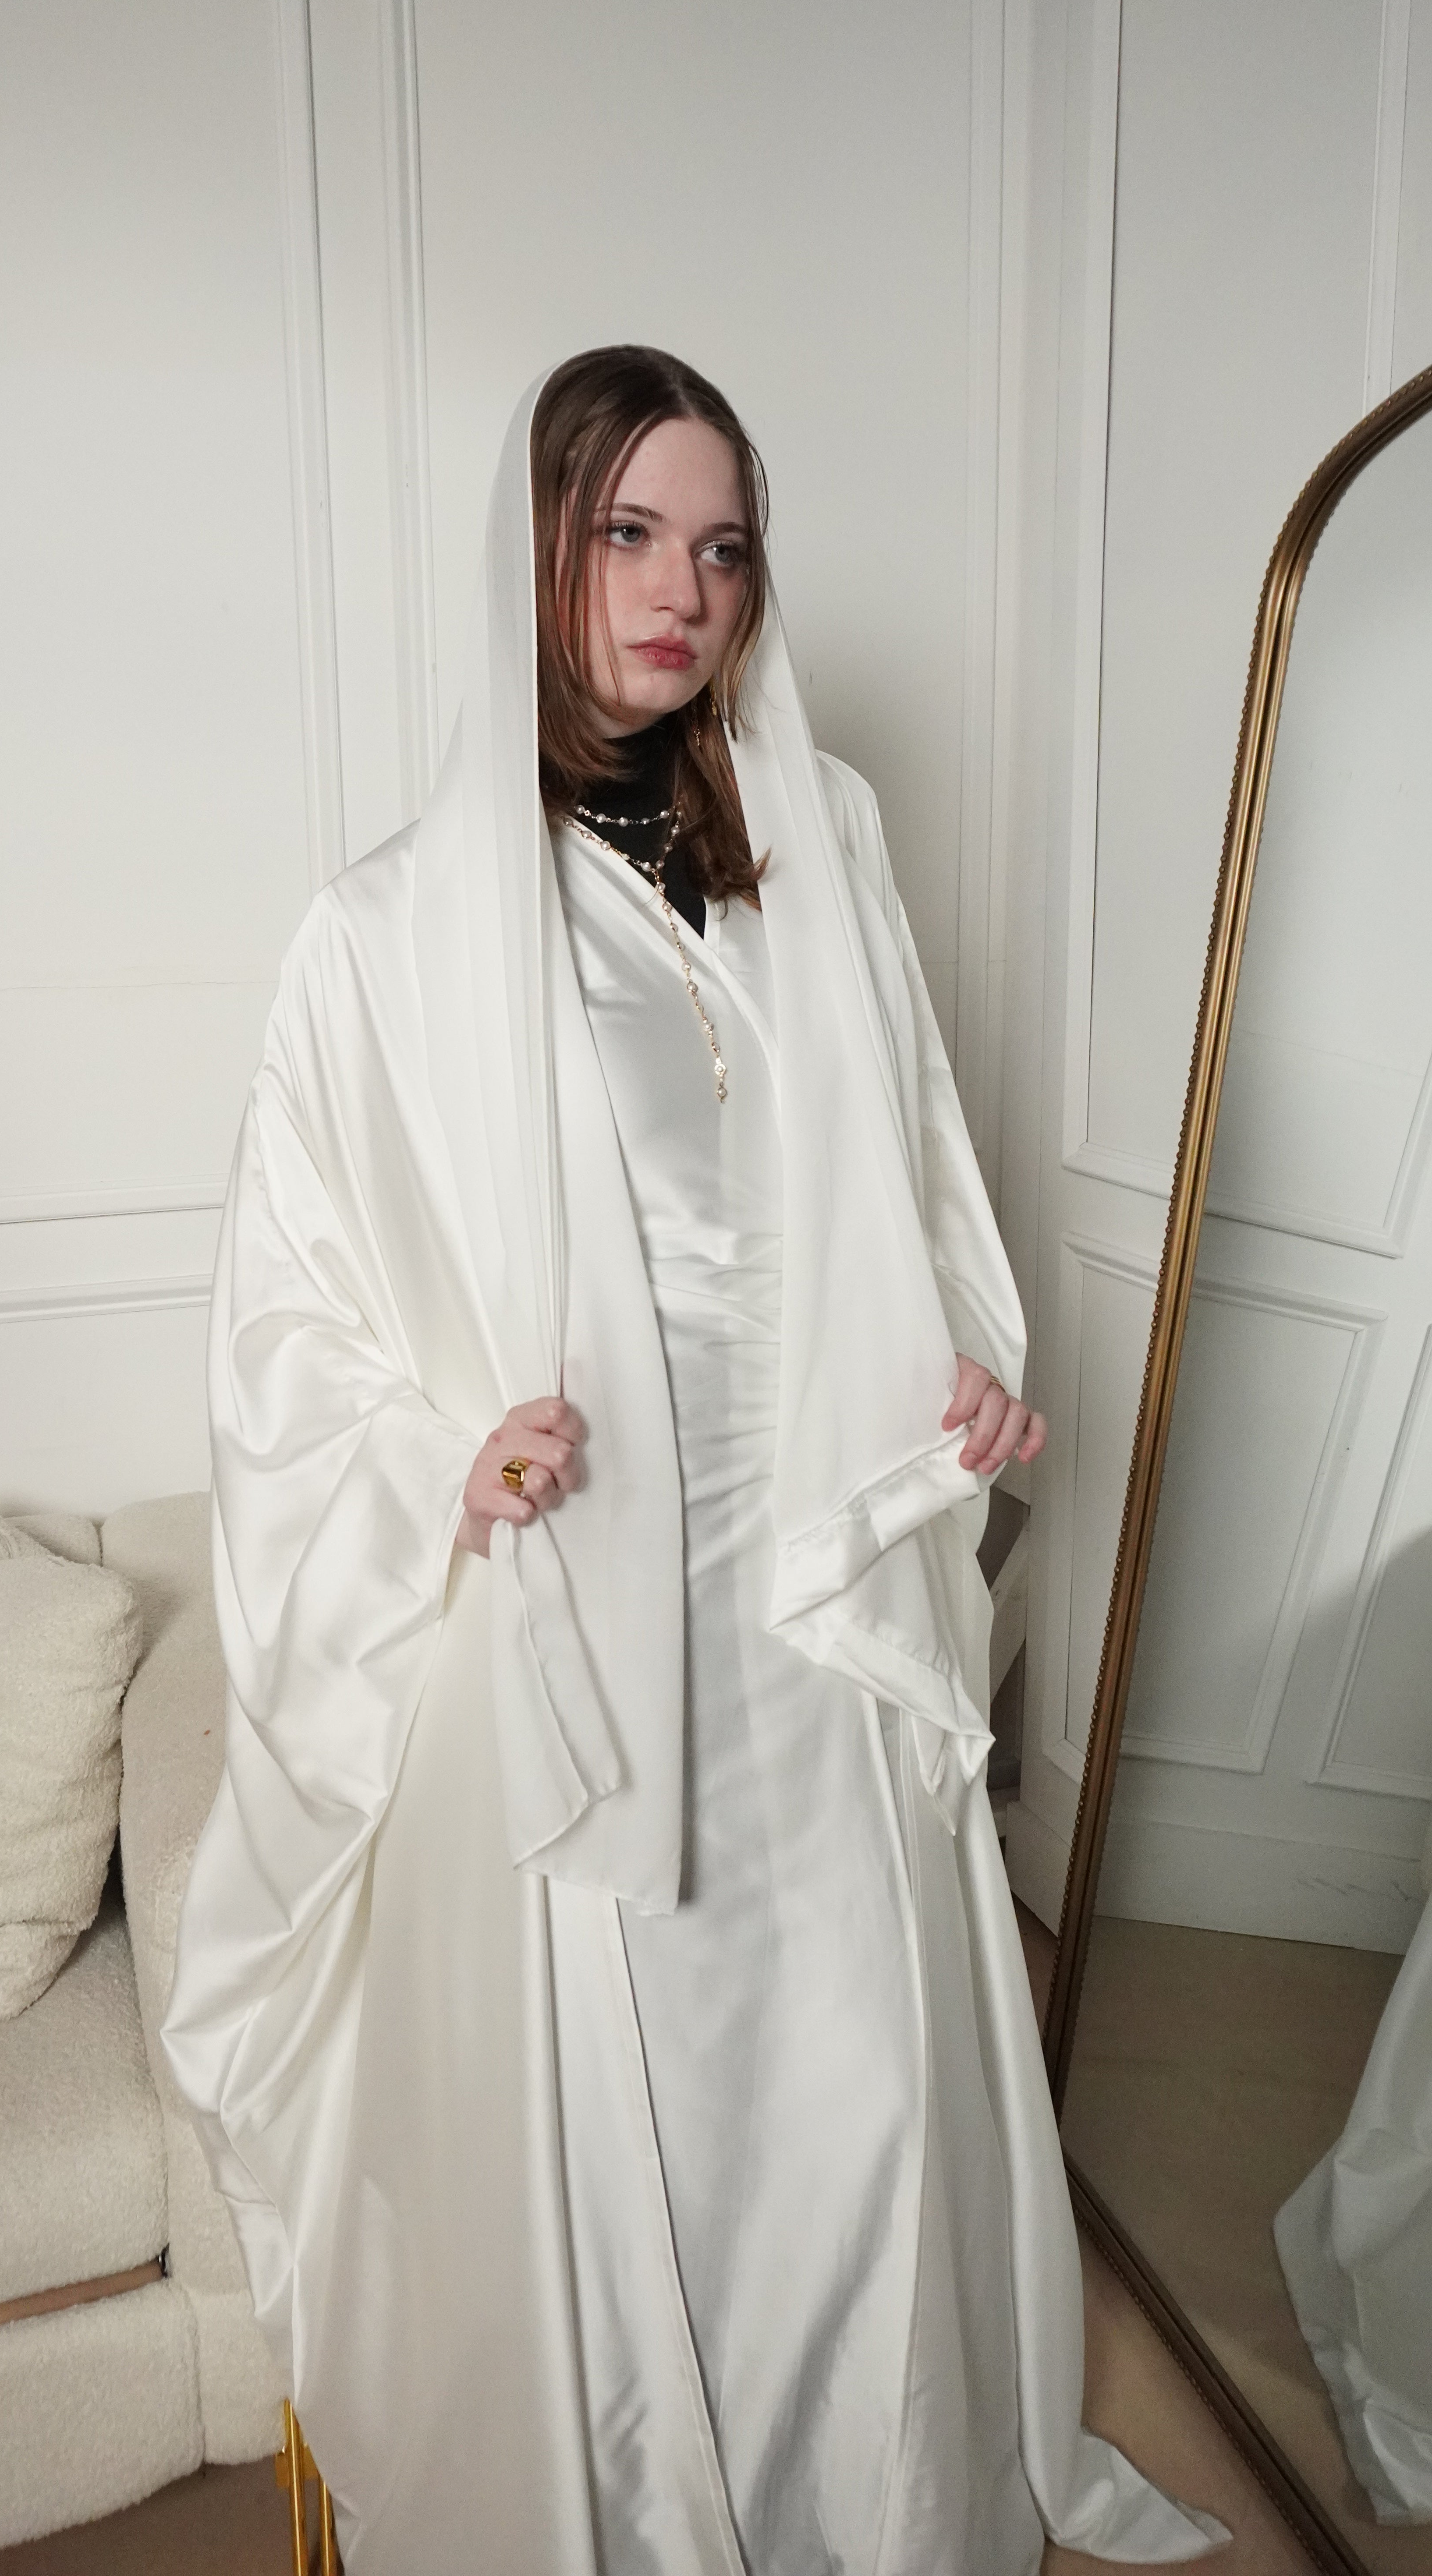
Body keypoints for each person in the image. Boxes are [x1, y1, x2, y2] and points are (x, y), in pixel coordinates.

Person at [163, 347, 1226, 2575]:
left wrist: (963, 1369)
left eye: (724, 547)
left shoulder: (816, 839)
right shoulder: (389, 930)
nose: (683, 591)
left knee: (850, 2059)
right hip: (587, 1585)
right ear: (541, 548)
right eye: (631, 535)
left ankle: (870, 2484)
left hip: (813, 1575)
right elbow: (287, 1323)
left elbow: (910, 1172)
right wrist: (442, 1458)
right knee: (653, 2064)